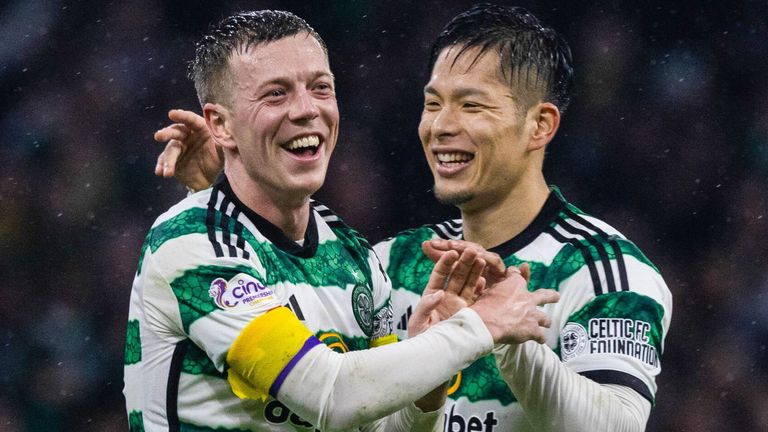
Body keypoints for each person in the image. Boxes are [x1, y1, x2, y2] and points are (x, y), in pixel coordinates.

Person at [154, 4, 673, 431]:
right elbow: (330, 394)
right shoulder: (388, 262)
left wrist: (512, 345)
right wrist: (225, 186)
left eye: (472, 106)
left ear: (540, 125)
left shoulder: (604, 271)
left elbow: (614, 428)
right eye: (433, 104)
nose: (441, 127)